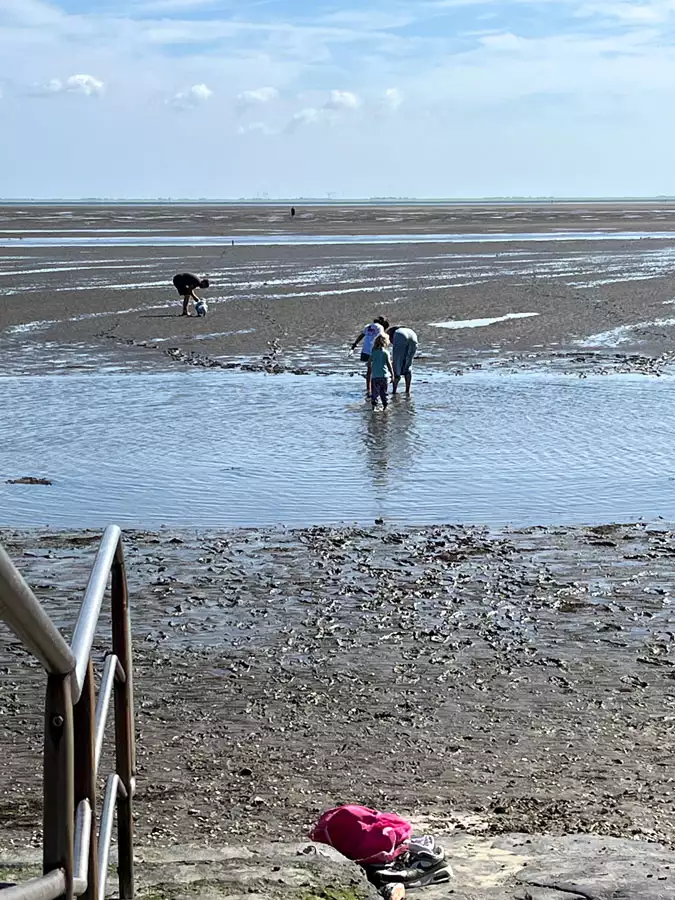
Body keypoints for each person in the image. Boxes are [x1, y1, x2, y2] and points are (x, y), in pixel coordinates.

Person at [351, 316, 390, 393]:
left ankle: (368, 388)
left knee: (369, 370)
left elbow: (361, 336)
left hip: (365, 350)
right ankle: (375, 386)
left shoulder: (368, 326)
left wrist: (354, 344)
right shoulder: (380, 327)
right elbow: (381, 336)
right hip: (374, 350)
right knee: (377, 368)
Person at [387, 326, 418, 395]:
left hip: (401, 336)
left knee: (397, 363)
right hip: (413, 335)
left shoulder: (396, 332)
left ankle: (394, 391)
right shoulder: (406, 329)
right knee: (408, 364)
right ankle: (407, 390)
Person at [368, 333, 394, 411]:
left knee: (375, 393)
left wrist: (370, 369)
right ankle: (385, 407)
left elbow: (369, 362)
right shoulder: (386, 352)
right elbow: (389, 365)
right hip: (384, 376)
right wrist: (392, 375)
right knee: (383, 393)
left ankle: (374, 407)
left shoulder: (373, 352)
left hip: (375, 376)